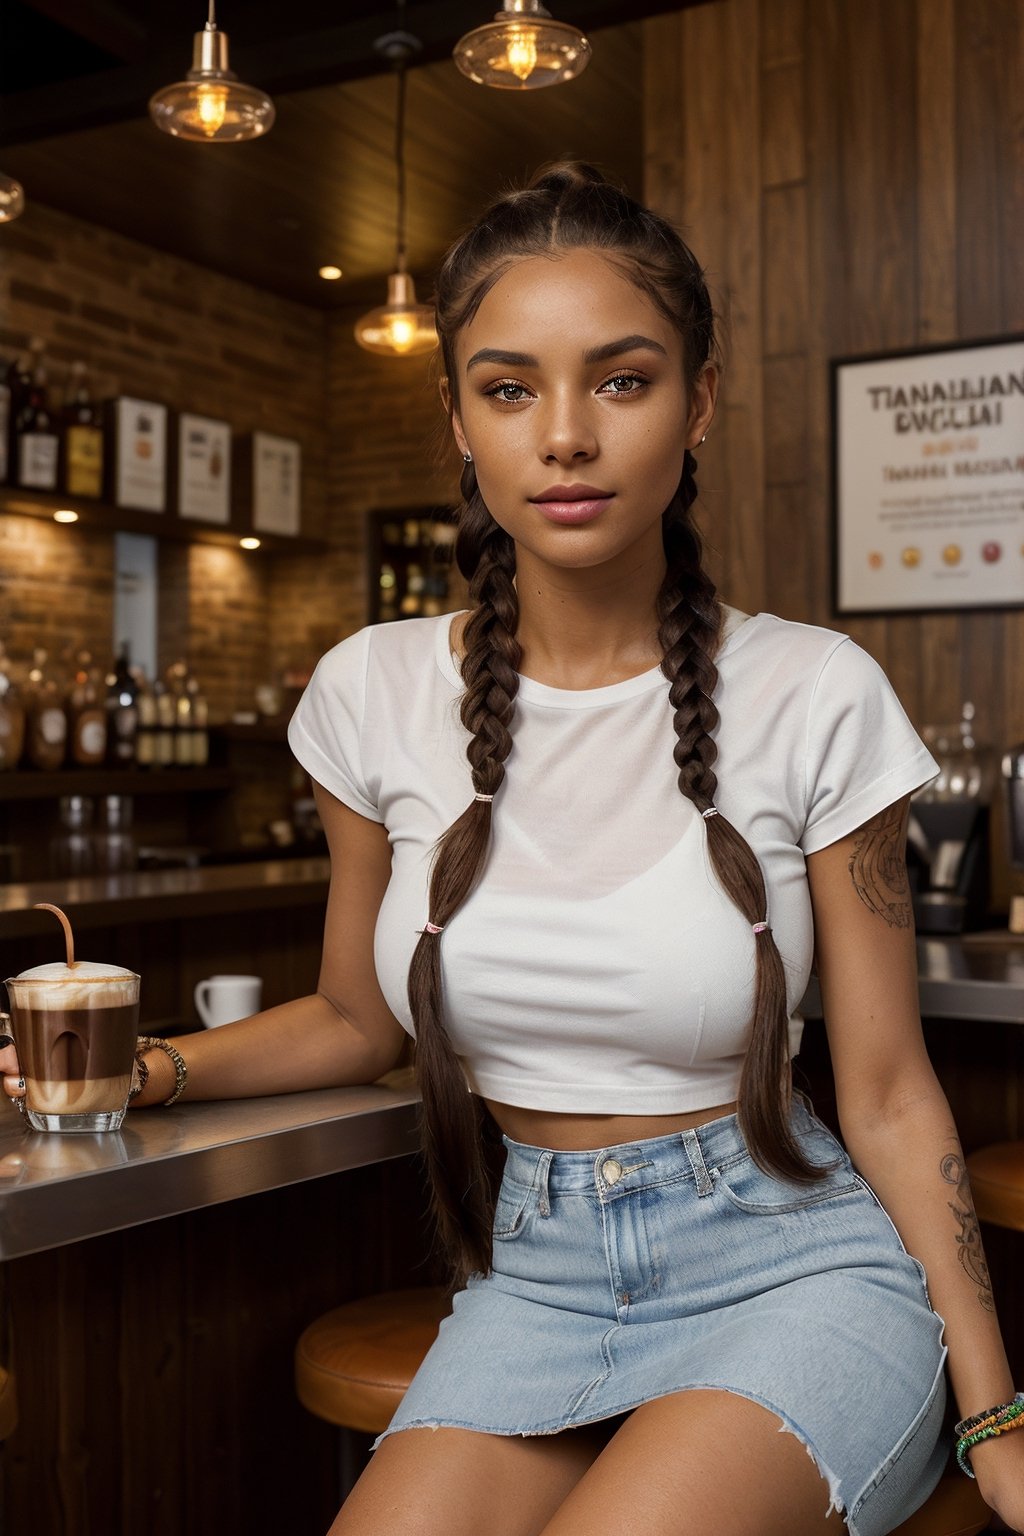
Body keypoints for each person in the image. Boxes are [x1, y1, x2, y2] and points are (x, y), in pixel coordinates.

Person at [5, 163, 1022, 1536]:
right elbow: (359, 1019)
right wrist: (148, 1070)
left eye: (620, 379)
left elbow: (893, 1094)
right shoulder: (371, 694)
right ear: (460, 423)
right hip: (534, 1279)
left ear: (699, 402)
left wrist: (997, 1408)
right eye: (507, 387)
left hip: (798, 1271)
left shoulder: (817, 691)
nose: (563, 436)